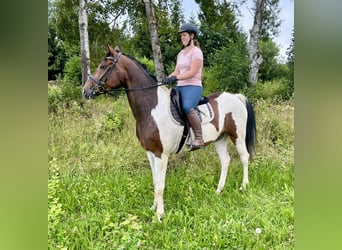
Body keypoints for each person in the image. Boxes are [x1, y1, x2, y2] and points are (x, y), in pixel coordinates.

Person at [162, 23, 204, 150]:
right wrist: (168, 77)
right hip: (180, 86)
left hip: (193, 86)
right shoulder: (181, 53)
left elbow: (192, 72)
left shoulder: (197, 52)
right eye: (181, 36)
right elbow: (176, 71)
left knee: (186, 107)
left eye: (184, 35)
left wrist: (176, 77)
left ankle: (199, 138)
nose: (182, 38)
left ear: (192, 36)